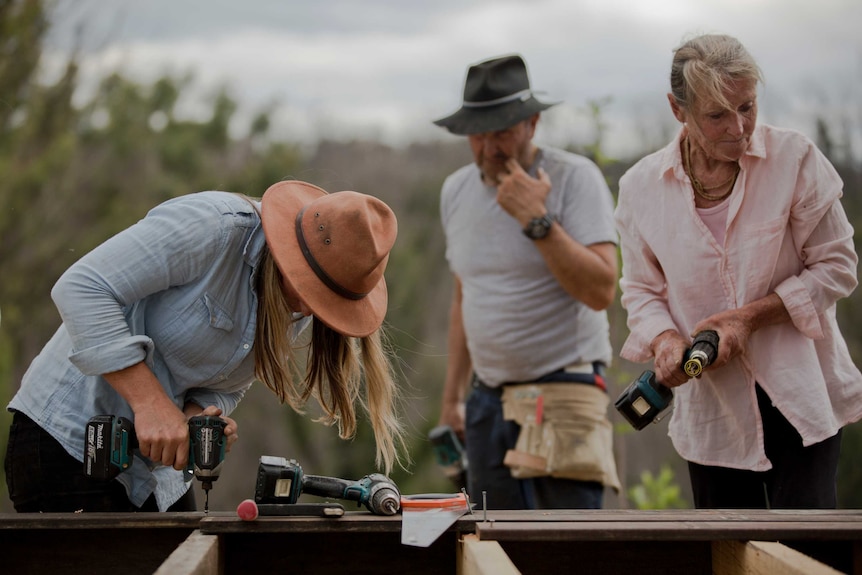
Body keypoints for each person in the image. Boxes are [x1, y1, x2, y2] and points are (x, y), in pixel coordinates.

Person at [5, 180, 405, 512]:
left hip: (156, 476)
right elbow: (81, 289)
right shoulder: (210, 228)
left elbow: (233, 379)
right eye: (307, 288)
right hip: (67, 442)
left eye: (323, 300)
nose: (306, 307)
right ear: (290, 253)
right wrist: (150, 404)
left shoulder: (302, 304)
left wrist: (199, 415)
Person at [615, 33, 862, 509]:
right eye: (717, 116)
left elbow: (837, 266)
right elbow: (641, 290)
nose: (739, 127)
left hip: (802, 398)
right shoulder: (640, 188)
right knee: (725, 555)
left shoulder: (795, 159)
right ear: (677, 110)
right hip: (714, 417)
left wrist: (746, 319)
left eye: (747, 106)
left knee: (809, 558)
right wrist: (665, 339)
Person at [433, 54, 621, 510]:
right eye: (478, 134)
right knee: (493, 546)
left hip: (563, 392)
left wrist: (537, 221)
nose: (488, 148)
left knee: (568, 552)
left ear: (532, 124)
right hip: (486, 400)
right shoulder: (455, 191)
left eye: (501, 132)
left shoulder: (574, 179)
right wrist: (453, 398)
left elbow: (601, 290)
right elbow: (465, 295)